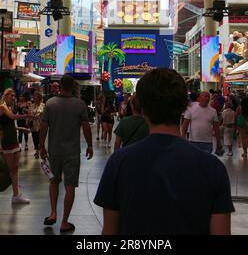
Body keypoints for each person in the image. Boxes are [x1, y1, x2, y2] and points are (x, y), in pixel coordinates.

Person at [94, 68, 234, 235]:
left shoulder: (118, 163)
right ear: (184, 106)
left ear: (142, 109)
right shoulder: (213, 168)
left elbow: (109, 230)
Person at [39, 74, 93, 233]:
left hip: (54, 150)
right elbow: (86, 126)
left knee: (54, 181)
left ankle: (53, 213)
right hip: (72, 152)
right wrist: (90, 145)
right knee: (70, 186)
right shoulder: (80, 105)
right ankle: (64, 222)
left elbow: (43, 126)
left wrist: (41, 146)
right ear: (74, 87)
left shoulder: (50, 103)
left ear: (60, 86)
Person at [0, 88, 30, 204]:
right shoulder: (2, 107)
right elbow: (12, 117)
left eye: (14, 96)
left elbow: (9, 124)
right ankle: (16, 194)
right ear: (6, 95)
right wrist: (26, 115)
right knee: (11, 169)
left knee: (16, 167)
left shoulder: (9, 108)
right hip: (7, 141)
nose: (13, 98)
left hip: (14, 139)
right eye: (11, 96)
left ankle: (16, 193)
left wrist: (21, 128)